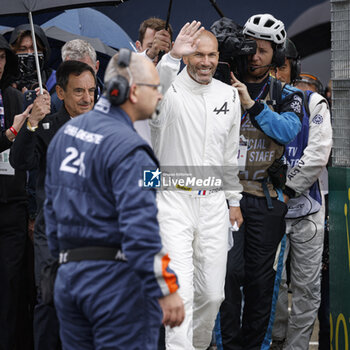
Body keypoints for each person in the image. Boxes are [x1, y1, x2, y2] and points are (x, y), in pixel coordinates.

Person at [44, 49, 184, 349]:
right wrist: (167, 287)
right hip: (117, 285)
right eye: (155, 88)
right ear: (132, 91)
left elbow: (50, 212)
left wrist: (63, 268)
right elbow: (141, 229)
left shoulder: (67, 133)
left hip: (69, 281)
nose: (160, 96)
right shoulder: (131, 148)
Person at [150, 21, 243, 350]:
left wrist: (234, 201)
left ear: (219, 57)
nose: (205, 62)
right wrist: (170, 57)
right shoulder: (169, 91)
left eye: (212, 55)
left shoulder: (229, 95)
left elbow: (230, 155)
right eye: (198, 54)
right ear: (188, 56)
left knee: (213, 295)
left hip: (214, 206)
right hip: (173, 204)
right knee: (182, 294)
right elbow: (152, 95)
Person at [217, 14, 303, 350]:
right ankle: (227, 345)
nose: (255, 56)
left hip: (266, 200)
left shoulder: (287, 93)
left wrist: (252, 105)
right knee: (227, 275)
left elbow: (287, 131)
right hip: (226, 199)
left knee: (260, 282)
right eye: (251, 48)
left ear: (277, 56)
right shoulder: (220, 88)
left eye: (264, 51)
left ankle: (257, 347)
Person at [10, 60, 96, 350]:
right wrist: (32, 121)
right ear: (60, 92)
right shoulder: (45, 126)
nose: (87, 99)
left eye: (92, 91)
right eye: (79, 91)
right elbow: (20, 162)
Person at [270, 39, 332, 350]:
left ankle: (295, 346)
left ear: (293, 67)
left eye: (282, 67)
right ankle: (277, 341)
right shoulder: (262, 103)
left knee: (307, 287)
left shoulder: (314, 103)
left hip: (308, 209)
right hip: (272, 210)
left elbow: (318, 153)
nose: (277, 73)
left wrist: (287, 188)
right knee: (274, 284)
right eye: (273, 67)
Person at [0, 32, 32, 350]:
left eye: (0, 57)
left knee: (11, 286)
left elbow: (26, 150)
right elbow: (10, 136)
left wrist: (34, 121)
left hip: (12, 203)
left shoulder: (13, 96)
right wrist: (10, 132)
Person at [51, 39, 103, 113]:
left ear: (96, 67)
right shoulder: (54, 105)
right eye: (73, 72)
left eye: (86, 70)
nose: (80, 78)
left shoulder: (115, 103)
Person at [10, 24, 56, 93]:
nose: (29, 53)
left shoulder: (55, 80)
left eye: (35, 48)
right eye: (22, 49)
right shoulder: (5, 83)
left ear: (44, 51)